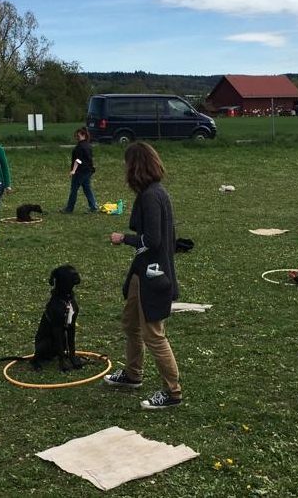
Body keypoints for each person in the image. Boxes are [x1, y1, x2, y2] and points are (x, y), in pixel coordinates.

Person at [104, 142, 181, 410]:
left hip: (153, 275)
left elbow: (154, 241)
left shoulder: (152, 196)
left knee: (154, 334)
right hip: (142, 272)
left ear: (135, 167)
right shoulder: (153, 192)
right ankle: (132, 374)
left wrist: (122, 238)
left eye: (127, 165)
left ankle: (172, 392)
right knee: (130, 324)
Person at [60, 127, 98, 214]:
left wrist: (73, 171)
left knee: (74, 189)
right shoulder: (88, 145)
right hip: (88, 171)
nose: (76, 137)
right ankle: (93, 206)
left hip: (80, 172)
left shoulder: (80, 147)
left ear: (83, 135)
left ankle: (69, 208)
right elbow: (90, 158)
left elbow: (78, 160)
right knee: (87, 188)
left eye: (78, 135)